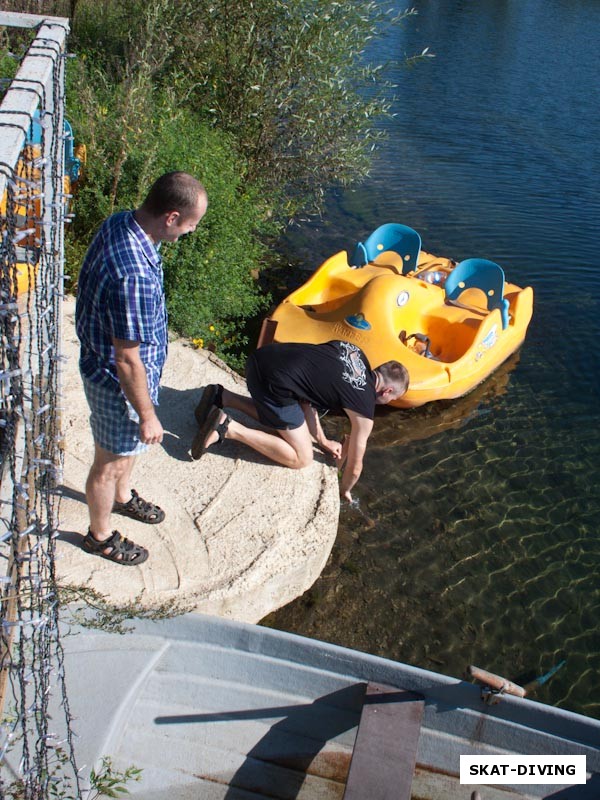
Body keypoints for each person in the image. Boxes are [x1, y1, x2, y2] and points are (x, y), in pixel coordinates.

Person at [76, 171, 208, 566]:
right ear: (170, 217)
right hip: (115, 382)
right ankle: (98, 536)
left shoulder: (122, 221)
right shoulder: (133, 275)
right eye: (190, 224)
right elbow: (126, 359)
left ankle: (122, 496)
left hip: (123, 370)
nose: (191, 231)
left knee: (127, 447)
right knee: (109, 461)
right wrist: (149, 415)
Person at [191, 340, 408, 502]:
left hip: (260, 360)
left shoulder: (354, 351)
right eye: (392, 399)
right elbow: (355, 465)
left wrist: (322, 440)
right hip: (273, 385)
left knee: (287, 425)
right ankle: (227, 427)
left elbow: (306, 399)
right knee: (302, 457)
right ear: (387, 391)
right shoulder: (364, 408)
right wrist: (343, 490)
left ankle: (222, 397)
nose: (388, 402)